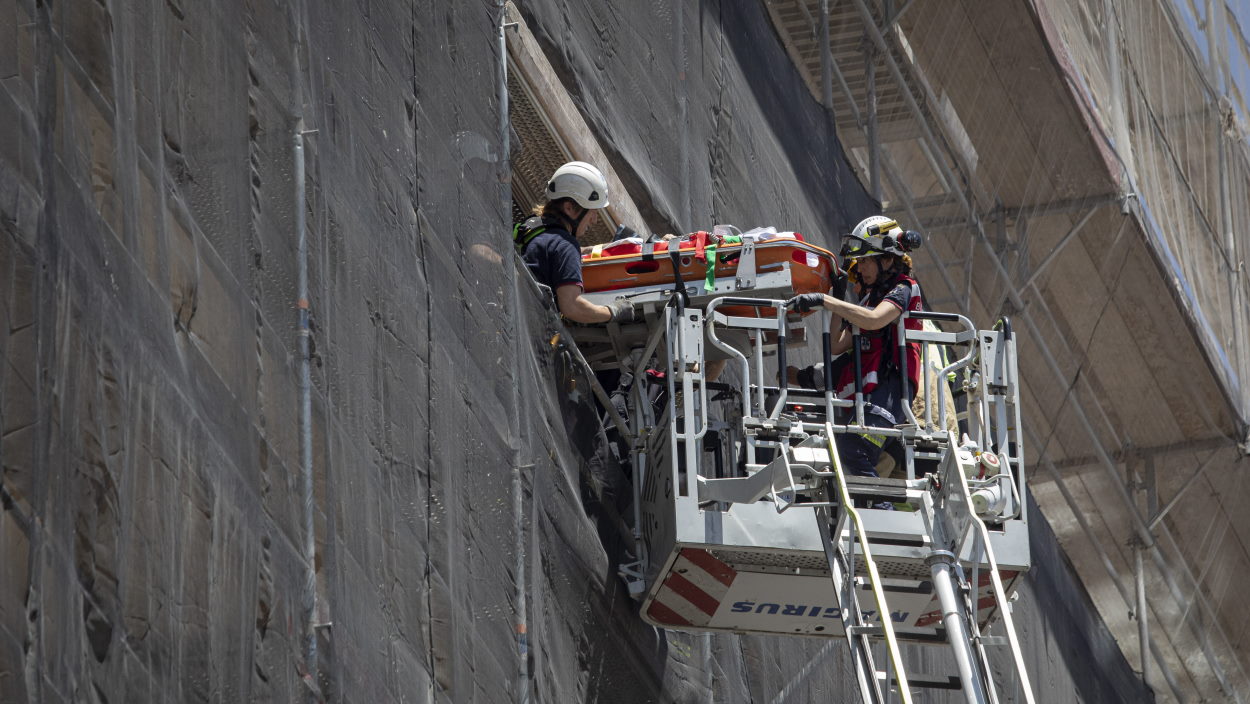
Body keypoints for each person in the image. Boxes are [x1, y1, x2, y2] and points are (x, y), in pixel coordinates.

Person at [792, 216, 924, 507]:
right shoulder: (867, 301)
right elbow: (838, 346)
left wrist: (826, 302)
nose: (859, 268)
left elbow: (876, 321)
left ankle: (884, 513)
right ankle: (876, 509)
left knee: (853, 448)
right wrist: (838, 296)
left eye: (865, 260)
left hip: (891, 392)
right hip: (873, 396)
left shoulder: (905, 289)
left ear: (888, 259)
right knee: (848, 450)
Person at [513, 161, 635, 324]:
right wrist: (613, 311)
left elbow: (554, 252)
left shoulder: (531, 230)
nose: (594, 220)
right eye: (592, 212)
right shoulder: (566, 246)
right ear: (569, 207)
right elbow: (572, 307)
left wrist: (613, 247)